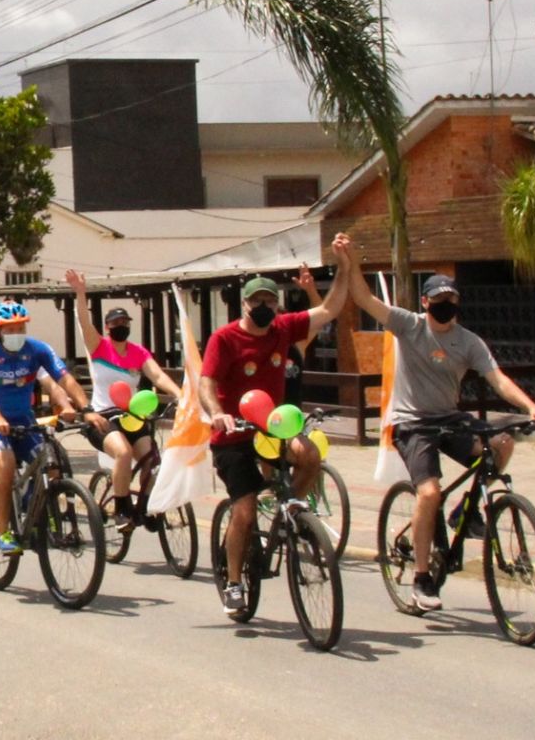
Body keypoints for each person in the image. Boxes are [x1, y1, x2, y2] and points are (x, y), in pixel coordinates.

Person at [340, 246, 535, 612]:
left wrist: (533, 409)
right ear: (426, 302)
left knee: (502, 443)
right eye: (439, 299)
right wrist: (351, 263)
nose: (446, 305)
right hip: (411, 423)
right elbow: (364, 299)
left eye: (452, 300)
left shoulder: (468, 341)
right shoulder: (410, 325)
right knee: (428, 493)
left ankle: (466, 514)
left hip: (449, 418)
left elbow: (498, 379)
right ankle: (422, 580)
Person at [200, 234, 352, 616]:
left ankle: (292, 512)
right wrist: (217, 411)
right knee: (246, 510)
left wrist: (345, 266)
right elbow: (207, 383)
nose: (266, 307)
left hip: (273, 429)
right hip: (232, 436)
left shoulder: (284, 329)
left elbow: (330, 309)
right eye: (258, 301)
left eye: (271, 300)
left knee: (310, 454)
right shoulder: (225, 338)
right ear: (245, 304)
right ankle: (234, 582)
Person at [0, 302, 107, 555]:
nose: (16, 333)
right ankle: (4, 533)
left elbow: (63, 378)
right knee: (6, 463)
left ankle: (31, 514)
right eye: (9, 329)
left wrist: (85, 408)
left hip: (25, 419)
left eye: (20, 328)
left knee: (52, 467)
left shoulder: (37, 350)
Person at [64, 269, 182, 533]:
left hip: (132, 416)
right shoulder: (99, 347)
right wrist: (80, 293)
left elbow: (158, 375)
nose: (121, 328)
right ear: (108, 327)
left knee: (152, 460)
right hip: (103, 417)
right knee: (124, 453)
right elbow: (84, 322)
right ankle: (121, 509)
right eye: (116, 324)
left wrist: (180, 394)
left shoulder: (137, 352)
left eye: (124, 323)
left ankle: (148, 505)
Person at [283, 263, 324, 409]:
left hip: (291, 418)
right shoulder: (258, 345)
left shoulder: (296, 345)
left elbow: (320, 317)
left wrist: (310, 290)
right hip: (262, 418)